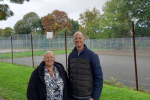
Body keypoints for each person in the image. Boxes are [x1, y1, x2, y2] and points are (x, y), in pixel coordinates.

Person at [68, 31, 103, 100]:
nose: (78, 40)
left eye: (80, 38)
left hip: (86, 97)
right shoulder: (71, 56)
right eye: (76, 38)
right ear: (73, 40)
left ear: (84, 40)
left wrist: (94, 97)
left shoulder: (92, 56)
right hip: (73, 96)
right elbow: (70, 75)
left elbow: (98, 78)